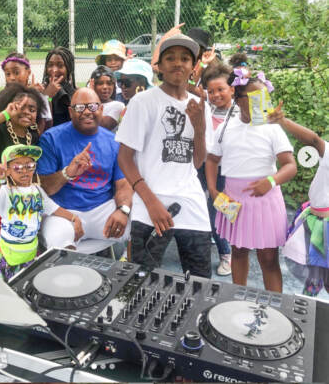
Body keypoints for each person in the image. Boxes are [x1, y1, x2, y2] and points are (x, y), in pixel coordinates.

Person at [116, 34, 214, 276]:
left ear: (194, 66)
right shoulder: (143, 102)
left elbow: (198, 161)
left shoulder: (200, 106)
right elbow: (125, 158)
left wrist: (199, 126)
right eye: (170, 58)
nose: (177, 63)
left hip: (190, 203)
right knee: (141, 278)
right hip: (149, 203)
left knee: (200, 280)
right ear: (159, 66)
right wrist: (151, 203)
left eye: (184, 58)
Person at [205, 70, 297, 292]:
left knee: (268, 258)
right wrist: (212, 189)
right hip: (233, 200)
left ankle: (275, 307)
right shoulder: (226, 127)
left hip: (265, 200)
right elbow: (212, 159)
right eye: (255, 97)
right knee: (238, 251)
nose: (261, 103)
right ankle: (239, 299)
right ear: (237, 97)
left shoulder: (272, 127)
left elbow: (290, 165)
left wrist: (272, 180)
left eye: (264, 97)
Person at [37, 88, 132, 252]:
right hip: (65, 214)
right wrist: (68, 172)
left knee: (142, 222)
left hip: (103, 210)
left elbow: (123, 184)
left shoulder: (114, 141)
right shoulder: (51, 138)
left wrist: (122, 210)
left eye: (93, 107)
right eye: (80, 108)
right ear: (70, 111)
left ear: (101, 109)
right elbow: (46, 188)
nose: (87, 112)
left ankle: (131, 270)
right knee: (59, 247)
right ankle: (72, 275)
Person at [0, 144, 83, 282]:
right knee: (3, 287)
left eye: (30, 165)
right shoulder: (5, 191)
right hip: (7, 252)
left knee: (26, 285)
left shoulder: (37, 190)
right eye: (17, 167)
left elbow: (53, 208)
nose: (24, 170)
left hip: (30, 250)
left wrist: (74, 218)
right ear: (7, 171)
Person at [0, 84, 44, 262]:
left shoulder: (33, 136)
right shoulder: (0, 130)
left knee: (12, 253)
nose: (26, 112)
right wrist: (5, 114)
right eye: (20, 107)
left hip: (19, 202)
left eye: (32, 109)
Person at [268, 104, 328, 296]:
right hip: (316, 223)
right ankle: (306, 311)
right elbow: (314, 140)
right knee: (314, 274)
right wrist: (282, 121)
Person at [200, 63, 236, 276]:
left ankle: (227, 253)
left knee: (223, 211)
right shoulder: (206, 109)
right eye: (211, 91)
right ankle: (220, 244)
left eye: (221, 89)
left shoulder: (241, 113)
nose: (215, 95)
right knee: (207, 209)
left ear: (232, 88)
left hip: (227, 172)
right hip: (205, 167)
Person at [1, 51, 51, 132]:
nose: (12, 77)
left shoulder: (38, 95)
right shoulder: (3, 96)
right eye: (8, 74)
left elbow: (45, 124)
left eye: (16, 72)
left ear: (28, 72)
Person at [41, 47, 76, 127]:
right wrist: (47, 97)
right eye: (50, 65)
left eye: (60, 65)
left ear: (68, 68)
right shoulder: (40, 91)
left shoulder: (75, 94)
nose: (54, 70)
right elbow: (46, 127)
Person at [90, 66, 124, 132]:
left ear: (114, 86)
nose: (105, 87)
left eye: (109, 83)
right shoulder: (86, 104)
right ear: (93, 85)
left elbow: (104, 126)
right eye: (100, 83)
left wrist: (91, 97)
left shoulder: (118, 106)